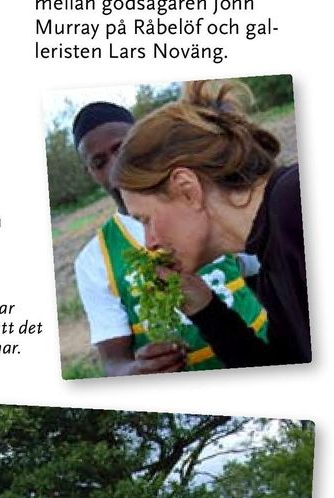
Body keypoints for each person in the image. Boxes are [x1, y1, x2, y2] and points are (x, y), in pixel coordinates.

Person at [111, 80, 309, 368]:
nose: (149, 242)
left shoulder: (297, 204)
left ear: (187, 189)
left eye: (146, 219)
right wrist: (204, 308)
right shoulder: (269, 261)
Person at [71, 100, 266, 375]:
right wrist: (136, 370)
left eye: (121, 148)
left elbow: (266, 269)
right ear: (90, 173)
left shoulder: (207, 203)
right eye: (99, 162)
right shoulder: (95, 260)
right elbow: (113, 362)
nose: (115, 168)